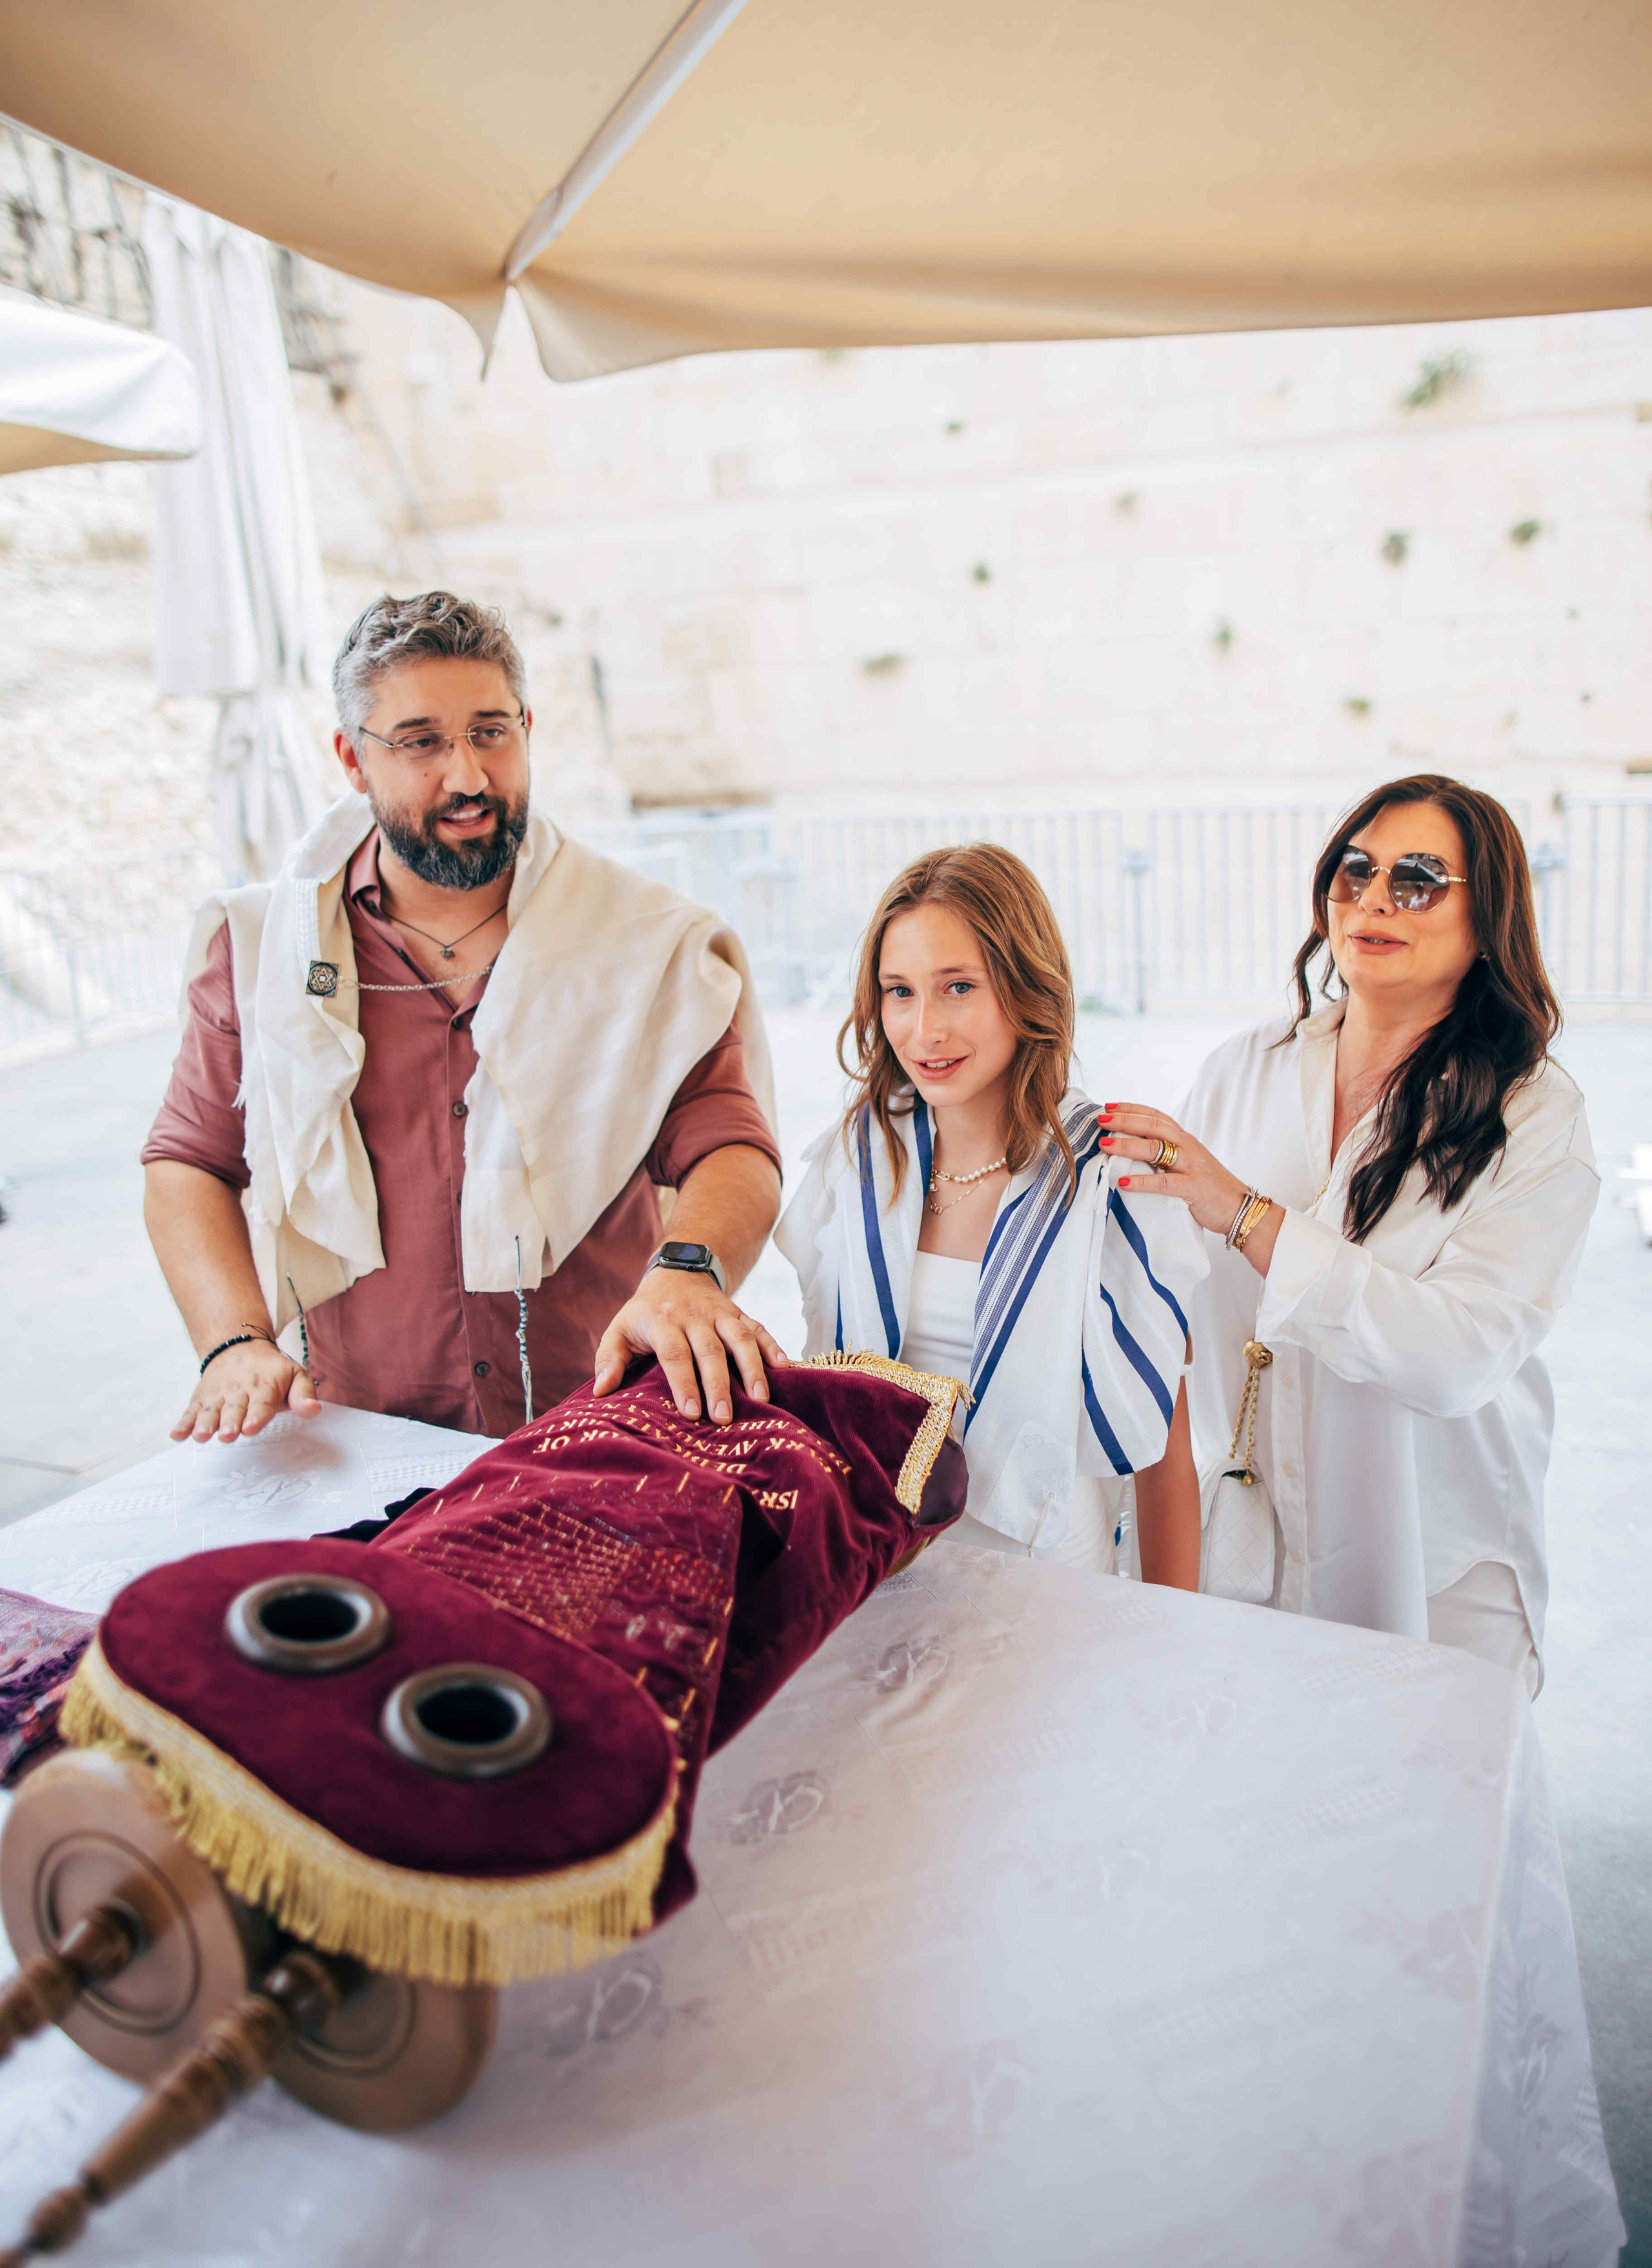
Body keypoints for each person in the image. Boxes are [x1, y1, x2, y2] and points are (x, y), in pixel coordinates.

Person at [142, 591, 786, 1445]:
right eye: (421, 743)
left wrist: (690, 1267)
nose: (468, 777)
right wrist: (232, 1340)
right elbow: (189, 1161)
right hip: (355, 1438)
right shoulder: (260, 948)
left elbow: (729, 1144)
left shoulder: (648, 942)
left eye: (491, 732)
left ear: (527, 727)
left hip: (603, 1428)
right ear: (351, 758)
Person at [1099, 775, 1597, 1692]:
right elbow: (1158, 1301)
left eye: (1416, 880)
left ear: (1488, 916)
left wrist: (1250, 1219)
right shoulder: (1245, 1068)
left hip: (1432, 1572)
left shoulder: (1535, 1115)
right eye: (1354, 870)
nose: (1373, 898)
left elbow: (1461, 1355)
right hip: (1246, 1557)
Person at [776, 845, 1208, 1583]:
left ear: (1025, 987)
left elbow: (1163, 1454)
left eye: (958, 987)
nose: (924, 1031)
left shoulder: (1108, 1172)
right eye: (899, 991)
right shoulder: (858, 1157)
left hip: (1049, 1582)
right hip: (878, 1568)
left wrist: (1177, 1637)